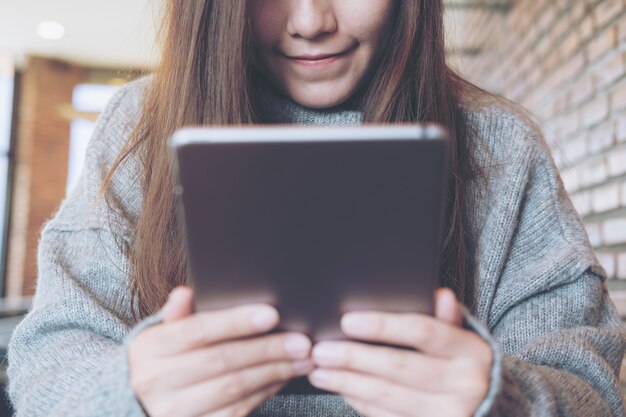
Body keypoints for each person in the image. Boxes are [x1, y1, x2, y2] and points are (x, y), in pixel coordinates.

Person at [6, 1, 626, 416]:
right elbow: (44, 365)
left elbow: (594, 387)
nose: (310, 21)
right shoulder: (137, 129)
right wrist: (129, 393)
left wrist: (502, 399)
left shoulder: (501, 146)